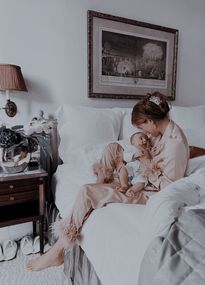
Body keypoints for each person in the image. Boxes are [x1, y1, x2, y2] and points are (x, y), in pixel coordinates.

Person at [26, 91, 189, 271]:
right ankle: (102, 181)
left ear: (150, 121)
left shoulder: (175, 145)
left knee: (86, 191)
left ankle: (58, 251)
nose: (143, 133)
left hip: (148, 191)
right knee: (113, 148)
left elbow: (167, 187)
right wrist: (135, 152)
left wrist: (144, 165)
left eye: (142, 128)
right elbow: (140, 147)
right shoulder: (159, 131)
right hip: (137, 173)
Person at [93, 132, 152, 197]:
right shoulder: (132, 148)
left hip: (139, 173)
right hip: (130, 169)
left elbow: (151, 160)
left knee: (142, 181)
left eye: (146, 139)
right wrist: (134, 155)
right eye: (141, 138)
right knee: (123, 169)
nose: (144, 140)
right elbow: (124, 157)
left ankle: (131, 190)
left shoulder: (148, 150)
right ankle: (124, 185)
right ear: (133, 143)